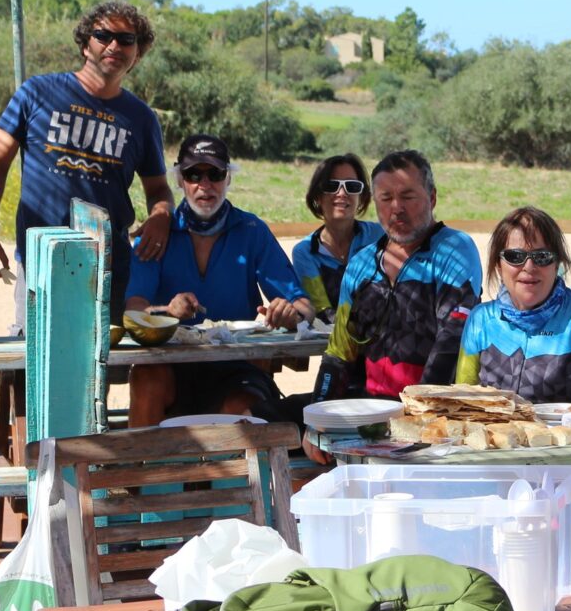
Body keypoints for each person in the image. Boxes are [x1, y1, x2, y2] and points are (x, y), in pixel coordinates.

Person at [0, 1, 173, 324]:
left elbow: (159, 188)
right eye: (103, 35)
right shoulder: (36, 93)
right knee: (35, 363)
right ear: (84, 44)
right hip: (42, 261)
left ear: (138, 53)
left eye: (126, 39)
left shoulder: (141, 119)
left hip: (109, 266)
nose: (114, 45)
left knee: (100, 369)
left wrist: (162, 216)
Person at [456, 206, 571, 545]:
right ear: (498, 264)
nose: (529, 267)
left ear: (558, 263)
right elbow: (462, 401)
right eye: (515, 255)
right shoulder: (481, 320)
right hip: (499, 462)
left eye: (541, 256)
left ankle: (536, 562)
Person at [122, 134, 315, 426]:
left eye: (215, 173)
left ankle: (236, 473)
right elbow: (133, 310)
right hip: (170, 365)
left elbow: (303, 307)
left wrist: (290, 313)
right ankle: (138, 470)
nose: (204, 184)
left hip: (235, 368)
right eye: (193, 174)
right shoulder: (158, 232)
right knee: (146, 379)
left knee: (243, 408)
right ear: (179, 180)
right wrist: (166, 312)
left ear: (228, 179)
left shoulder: (251, 230)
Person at [315, 149, 482, 399]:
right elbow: (339, 354)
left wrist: (418, 408)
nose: (396, 208)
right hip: (368, 406)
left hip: (436, 408)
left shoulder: (454, 250)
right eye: (386, 197)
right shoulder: (361, 263)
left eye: (407, 196)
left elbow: (452, 339)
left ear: (432, 198)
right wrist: (318, 412)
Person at [291, 153, 382, 321]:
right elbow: (322, 312)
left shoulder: (382, 237)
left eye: (352, 186)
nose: (341, 193)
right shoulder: (305, 253)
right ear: (317, 196)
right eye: (331, 185)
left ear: (361, 196)